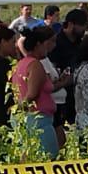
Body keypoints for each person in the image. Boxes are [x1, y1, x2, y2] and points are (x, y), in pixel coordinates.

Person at [14, 25, 60, 157]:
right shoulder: (35, 64)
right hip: (39, 118)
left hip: (29, 117)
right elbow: (32, 94)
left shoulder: (21, 63)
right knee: (48, 157)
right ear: (38, 45)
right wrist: (21, 107)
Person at [47, 9, 88, 144]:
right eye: (82, 25)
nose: (84, 29)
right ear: (70, 24)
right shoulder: (56, 43)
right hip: (60, 97)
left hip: (78, 95)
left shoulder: (80, 43)